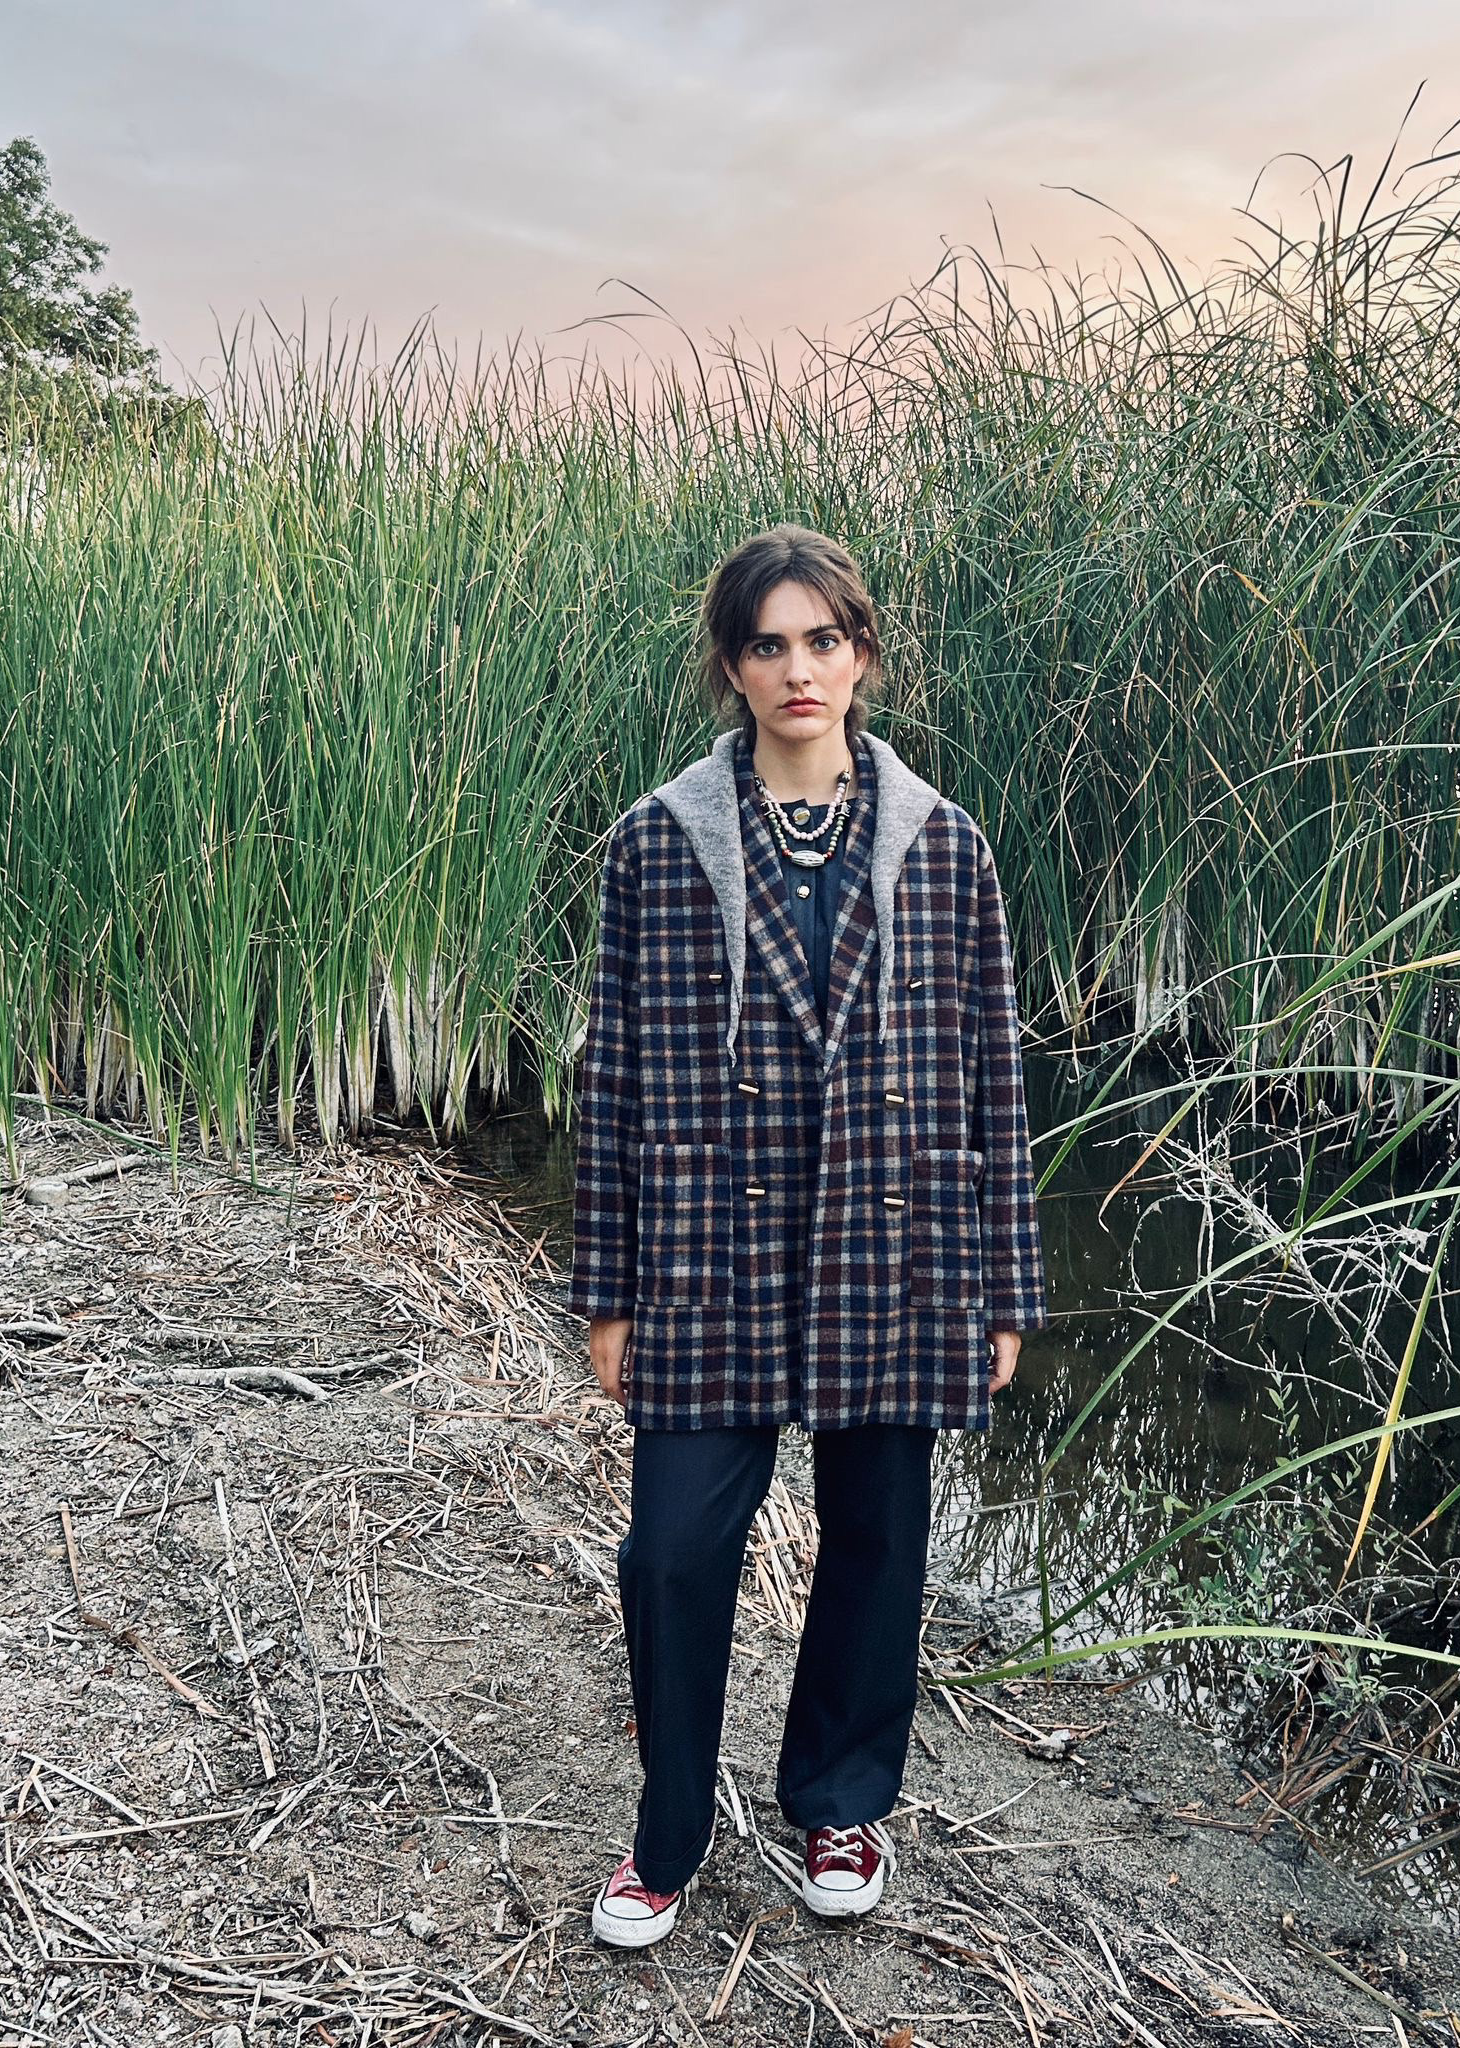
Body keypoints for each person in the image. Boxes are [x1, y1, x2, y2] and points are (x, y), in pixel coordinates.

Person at [568, 523, 1048, 1948]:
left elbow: (994, 1077)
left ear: (862, 656)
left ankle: (840, 1800)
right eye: (768, 644)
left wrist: (1005, 1287)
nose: (799, 670)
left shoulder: (944, 844)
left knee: (878, 1543)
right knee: (670, 1553)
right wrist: (608, 1292)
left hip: (892, 1246)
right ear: (731, 665)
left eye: (823, 641)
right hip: (706, 1245)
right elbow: (613, 1081)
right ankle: (669, 1830)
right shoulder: (656, 842)